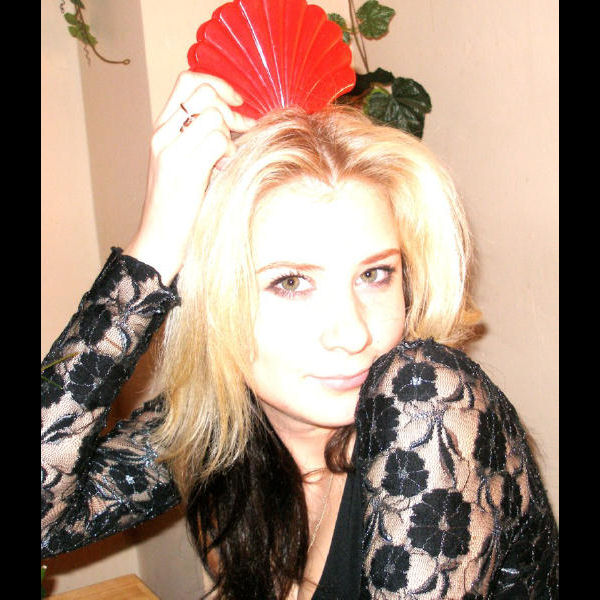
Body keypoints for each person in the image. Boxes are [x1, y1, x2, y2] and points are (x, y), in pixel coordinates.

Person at [41, 71, 559, 599]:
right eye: (290, 282)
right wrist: (154, 247)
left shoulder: (424, 402)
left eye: (375, 273)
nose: (353, 334)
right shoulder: (223, 427)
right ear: (214, 304)